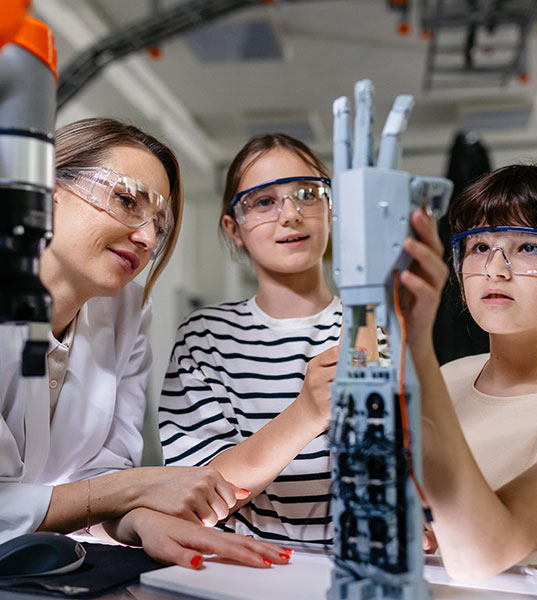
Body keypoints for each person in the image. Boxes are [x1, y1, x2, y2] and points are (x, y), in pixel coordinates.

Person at [0, 118, 291, 570]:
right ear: (45, 188)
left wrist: (139, 520)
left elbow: (97, 484)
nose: (148, 238)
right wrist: (134, 490)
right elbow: (101, 491)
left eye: (159, 223)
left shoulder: (127, 310)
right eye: (126, 200)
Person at [400, 164, 537, 578]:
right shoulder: (450, 375)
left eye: (529, 247)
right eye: (478, 247)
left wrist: (413, 343)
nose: (496, 268)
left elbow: (491, 549)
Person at [160, 134, 341, 547]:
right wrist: (307, 413)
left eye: (307, 194)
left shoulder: (374, 326)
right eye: (263, 201)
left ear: (330, 209)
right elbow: (193, 492)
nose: (291, 214)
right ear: (233, 228)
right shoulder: (204, 337)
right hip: (245, 568)